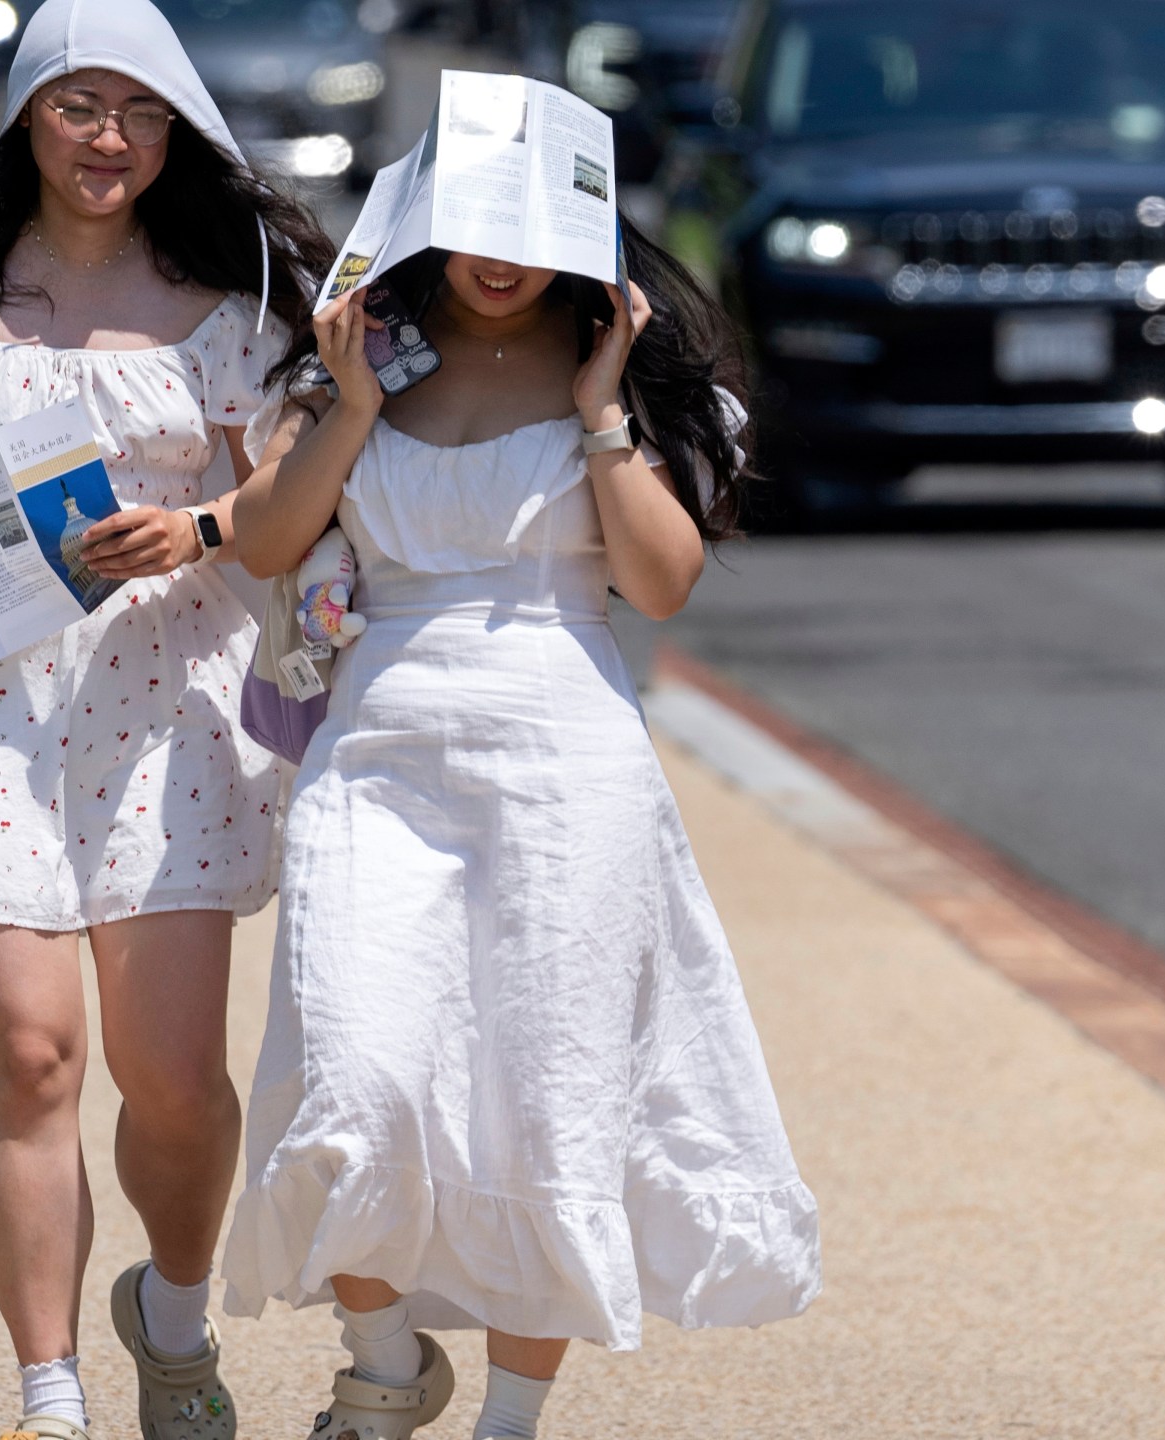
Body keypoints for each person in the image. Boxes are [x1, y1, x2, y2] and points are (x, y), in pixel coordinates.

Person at [0, 0, 335, 1435]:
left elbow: (282, 512)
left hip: (171, 717)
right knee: (31, 1056)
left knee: (175, 1085)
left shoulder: (229, 304)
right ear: (27, 113)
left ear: (177, 128)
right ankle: (50, 1394)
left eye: (140, 112)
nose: (110, 139)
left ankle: (176, 1306)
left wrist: (199, 528)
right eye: (80, 106)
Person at [219, 226, 823, 1436]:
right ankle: (383, 1366)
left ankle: (509, 1421)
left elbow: (659, 587)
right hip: (377, 747)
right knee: (357, 1074)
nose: (504, 261)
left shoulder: (625, 371)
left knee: (549, 1096)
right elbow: (267, 540)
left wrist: (602, 408)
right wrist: (348, 402)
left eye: (533, 234)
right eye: (477, 232)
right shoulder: (353, 354)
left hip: (567, 763)